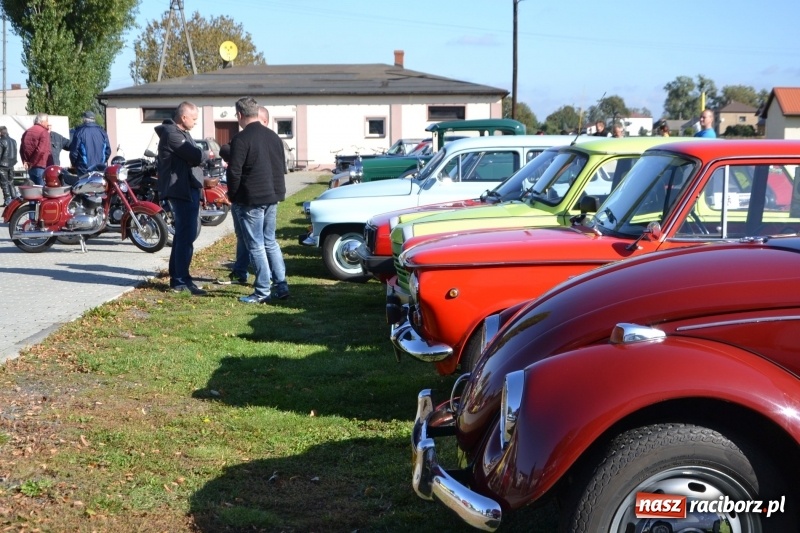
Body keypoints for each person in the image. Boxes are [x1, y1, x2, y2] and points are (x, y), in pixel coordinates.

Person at [226, 96, 289, 303]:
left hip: (251, 199)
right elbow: (280, 167)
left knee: (256, 245)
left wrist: (232, 195)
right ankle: (281, 284)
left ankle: (262, 290)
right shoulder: (274, 136)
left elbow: (234, 172)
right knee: (270, 242)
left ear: (239, 115)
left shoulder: (241, 139)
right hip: (272, 196)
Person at [155, 101, 209, 295]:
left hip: (187, 188)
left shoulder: (182, 133)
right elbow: (196, 156)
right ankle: (180, 281)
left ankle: (179, 277)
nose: (195, 122)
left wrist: (199, 155)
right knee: (186, 235)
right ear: (183, 117)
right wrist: (204, 154)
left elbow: (194, 156)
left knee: (184, 236)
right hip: (181, 191)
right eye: (193, 119)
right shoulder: (173, 134)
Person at [20, 113, 51, 185]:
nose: (48, 123)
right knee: (42, 189)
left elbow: (22, 149)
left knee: (34, 190)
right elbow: (41, 151)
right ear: (42, 121)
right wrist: (32, 163)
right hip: (40, 166)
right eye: (47, 121)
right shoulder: (44, 132)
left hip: (30, 167)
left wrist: (25, 161)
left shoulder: (27, 132)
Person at [0, 126, 17, 206]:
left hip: (2, 164)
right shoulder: (13, 141)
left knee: (4, 183)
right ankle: (14, 198)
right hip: (11, 164)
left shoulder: (1, 141)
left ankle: (8, 200)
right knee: (11, 182)